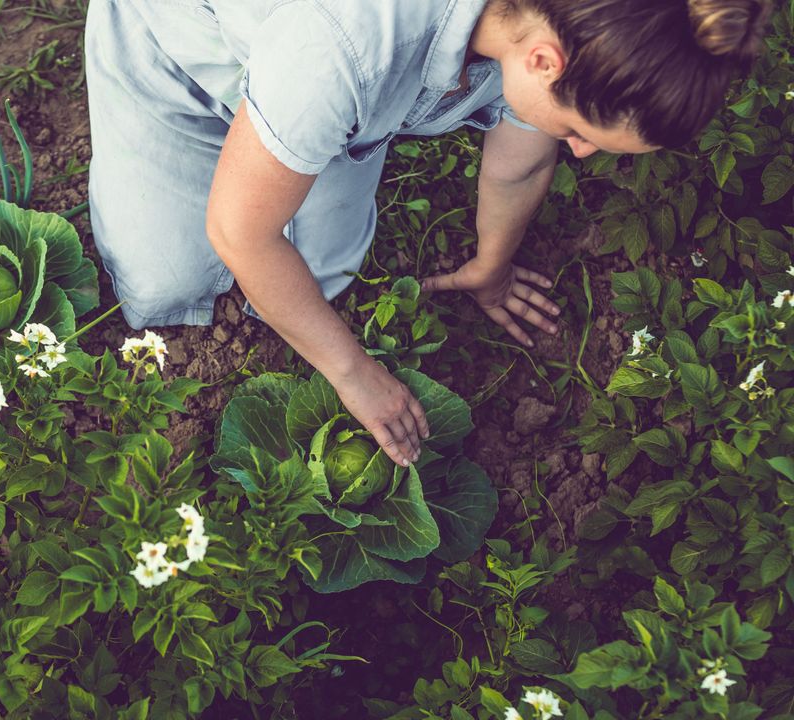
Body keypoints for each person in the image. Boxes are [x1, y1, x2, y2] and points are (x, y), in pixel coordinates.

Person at [84, 0, 772, 467]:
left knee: (321, 282)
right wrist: (354, 374)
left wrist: (491, 266)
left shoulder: (564, 24)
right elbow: (241, 234)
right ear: (543, 62)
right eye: (578, 134)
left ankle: (301, 149)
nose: (581, 155)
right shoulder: (345, 44)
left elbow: (519, 158)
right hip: (183, 60)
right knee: (164, 287)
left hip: (328, 105)